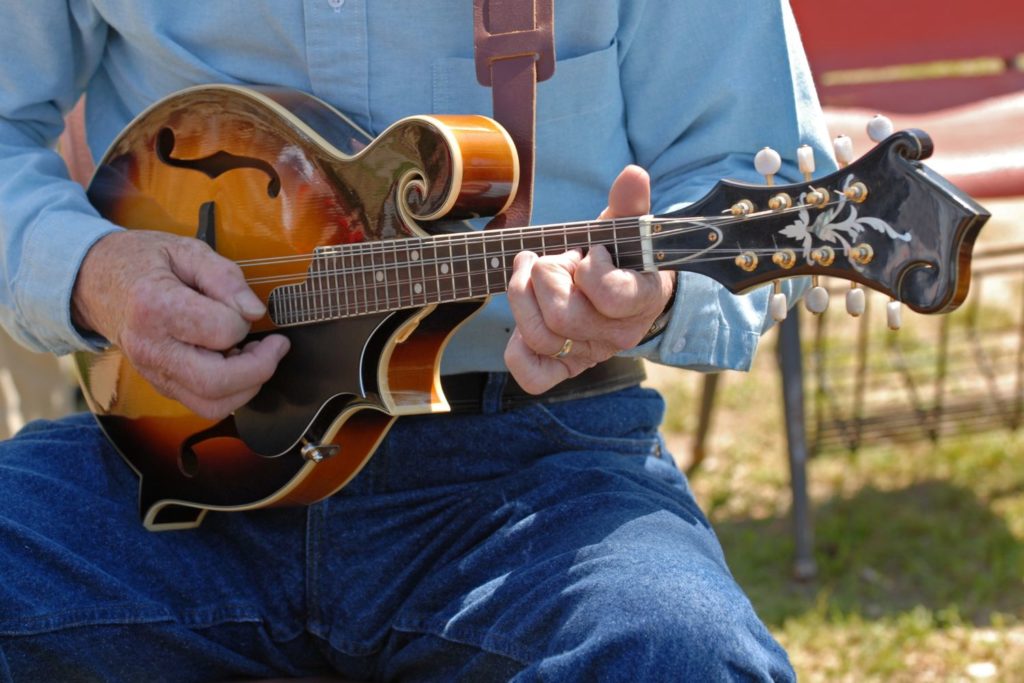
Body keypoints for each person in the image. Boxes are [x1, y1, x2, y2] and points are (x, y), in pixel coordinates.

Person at [0, 1, 833, 681]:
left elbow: (769, 176)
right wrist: (95, 270)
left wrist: (651, 297)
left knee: (676, 657)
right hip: (174, 463)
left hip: (532, 470)